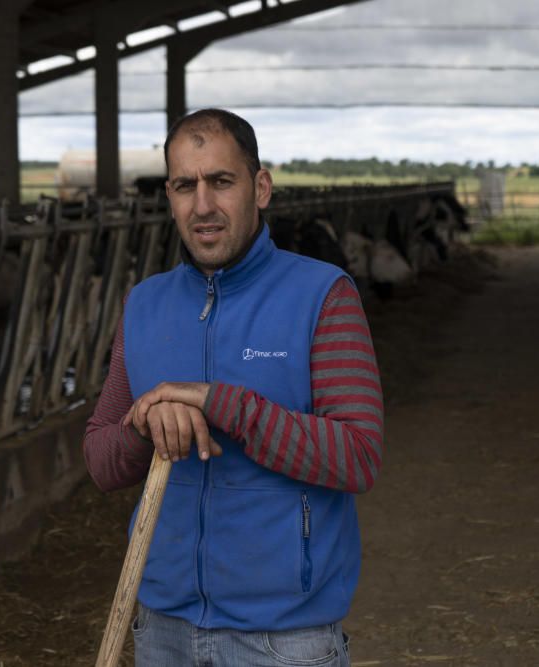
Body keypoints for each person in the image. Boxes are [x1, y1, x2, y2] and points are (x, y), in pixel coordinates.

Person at [84, 108, 383, 666]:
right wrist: (145, 424)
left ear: (260, 187)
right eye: (184, 186)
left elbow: (358, 457)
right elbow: (101, 461)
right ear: (169, 196)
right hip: (161, 627)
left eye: (221, 181)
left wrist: (221, 404)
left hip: (283, 638)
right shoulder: (144, 304)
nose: (202, 206)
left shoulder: (323, 296)